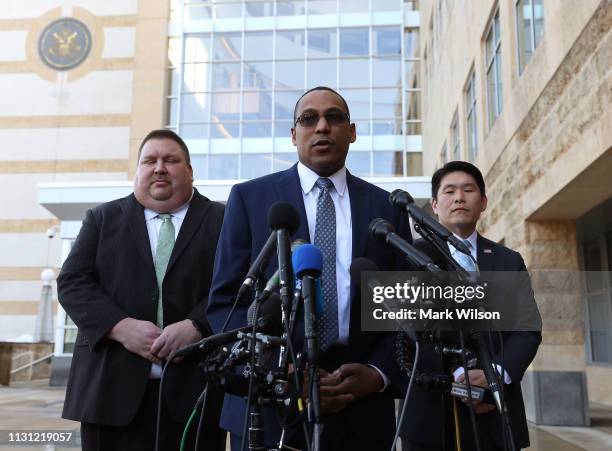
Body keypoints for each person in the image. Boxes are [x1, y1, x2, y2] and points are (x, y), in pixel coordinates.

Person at [207, 86, 412, 451]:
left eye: (334, 118)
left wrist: (378, 374)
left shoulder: (387, 208)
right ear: (293, 135)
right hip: (269, 404)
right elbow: (227, 303)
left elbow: (404, 308)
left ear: (352, 131)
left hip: (361, 405)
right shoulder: (249, 199)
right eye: (308, 119)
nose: (321, 127)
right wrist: (278, 372)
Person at [57, 129, 226, 451]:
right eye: (150, 160)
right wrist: (119, 327)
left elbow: (239, 285)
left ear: (190, 171)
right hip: (110, 396)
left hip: (196, 394)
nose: (159, 167)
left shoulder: (224, 219)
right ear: (137, 172)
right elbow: (72, 282)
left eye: (171, 160)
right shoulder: (102, 219)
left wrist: (197, 326)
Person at [399, 160, 542, 450]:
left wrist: (495, 375)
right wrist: (459, 378)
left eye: (468, 190)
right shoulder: (410, 257)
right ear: (435, 205)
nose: (459, 197)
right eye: (449, 191)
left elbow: (527, 329)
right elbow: (403, 331)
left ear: (484, 202)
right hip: (432, 412)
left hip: (496, 408)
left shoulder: (507, 260)